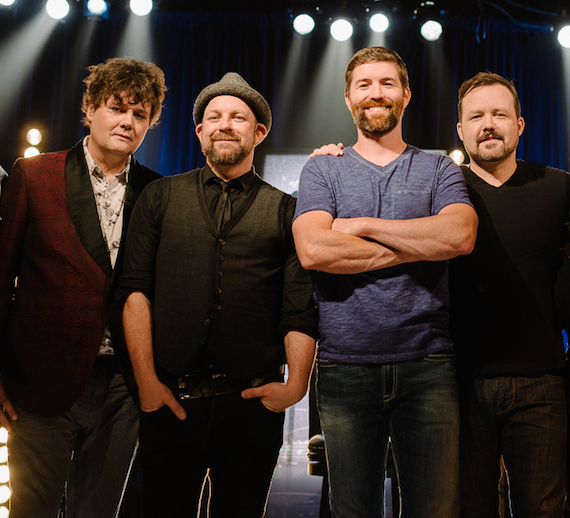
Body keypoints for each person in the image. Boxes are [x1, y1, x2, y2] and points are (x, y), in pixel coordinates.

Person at [118, 72, 318, 517]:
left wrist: (296, 385)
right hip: (169, 402)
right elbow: (135, 292)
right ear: (200, 130)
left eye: (238, 118)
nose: (225, 124)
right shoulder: (159, 196)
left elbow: (298, 308)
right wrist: (147, 382)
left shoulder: (287, 209)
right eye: (215, 116)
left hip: (251, 409)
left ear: (258, 132)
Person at [292, 46, 478, 517]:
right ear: (348, 98)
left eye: (387, 83)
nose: (376, 93)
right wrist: (418, 245)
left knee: (434, 511)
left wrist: (360, 225)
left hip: (429, 365)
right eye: (364, 85)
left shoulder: (439, 168)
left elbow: (458, 236)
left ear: (407, 95)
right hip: (344, 367)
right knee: (352, 512)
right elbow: (314, 249)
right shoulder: (323, 168)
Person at [0, 56, 166, 518]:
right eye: (117, 108)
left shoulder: (157, 192)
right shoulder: (35, 176)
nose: (127, 122)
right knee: (31, 510)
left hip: (122, 385)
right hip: (40, 379)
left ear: (150, 123)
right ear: (90, 109)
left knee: (98, 511)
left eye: (140, 114)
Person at [449, 71, 569, 517]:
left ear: (520, 124)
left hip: (542, 381)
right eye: (476, 116)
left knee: (542, 508)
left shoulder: (559, 188)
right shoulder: (440, 189)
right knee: (468, 508)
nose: (488, 124)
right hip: (455, 382)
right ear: (460, 129)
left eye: (500, 114)